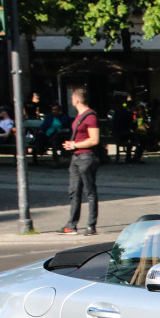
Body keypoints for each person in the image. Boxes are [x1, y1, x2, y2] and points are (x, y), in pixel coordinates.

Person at [61, 88, 101, 236]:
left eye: (72, 98)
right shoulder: (79, 116)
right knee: (74, 191)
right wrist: (72, 146)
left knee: (89, 192)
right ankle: (71, 225)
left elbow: (94, 140)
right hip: (76, 157)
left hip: (87, 157)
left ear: (76, 100)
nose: (72, 101)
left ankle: (91, 226)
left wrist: (75, 145)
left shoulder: (90, 117)